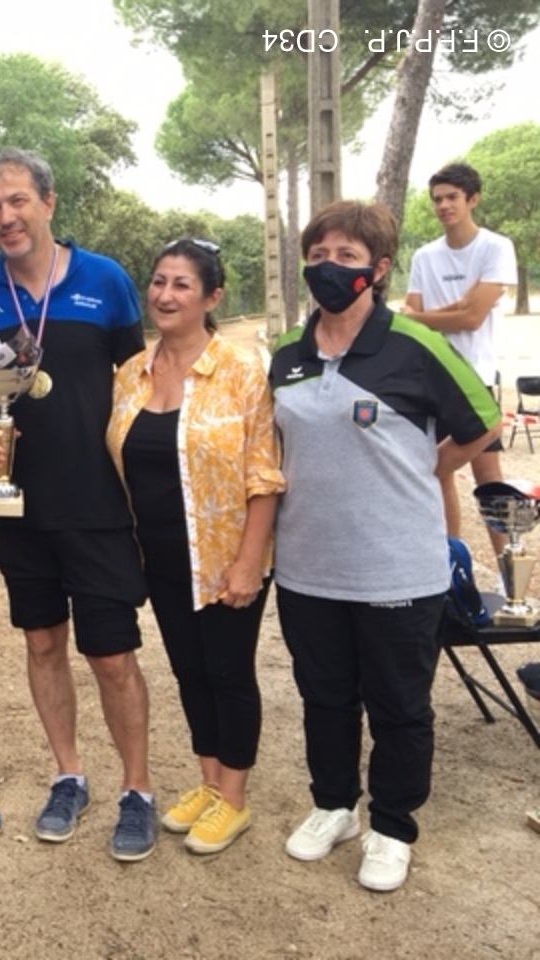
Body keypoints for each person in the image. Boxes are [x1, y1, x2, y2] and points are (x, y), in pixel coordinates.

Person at [271, 200, 501, 892]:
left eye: (346, 256)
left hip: (397, 568)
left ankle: (393, 826)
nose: (329, 267)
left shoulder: (414, 344)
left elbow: (483, 422)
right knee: (325, 698)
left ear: (377, 269)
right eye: (318, 254)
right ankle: (334, 805)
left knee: (400, 707)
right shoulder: (287, 353)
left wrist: (429, 467)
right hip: (308, 568)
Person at [0, 149, 154, 860]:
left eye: (17, 201)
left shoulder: (106, 281)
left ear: (48, 202)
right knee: (42, 643)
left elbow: (139, 383)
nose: (5, 217)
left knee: (112, 655)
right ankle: (69, 775)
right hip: (16, 505)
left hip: (98, 503)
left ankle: (137, 789)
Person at [106, 239, 284, 855]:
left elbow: (264, 475)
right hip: (158, 557)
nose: (165, 295)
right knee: (188, 671)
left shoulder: (241, 371)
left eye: (182, 284)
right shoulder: (130, 374)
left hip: (226, 556)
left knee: (228, 672)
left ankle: (234, 797)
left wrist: (248, 562)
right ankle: (209, 783)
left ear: (212, 298)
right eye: (158, 281)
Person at [404, 163, 518, 559]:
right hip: (431, 379)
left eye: (452, 197)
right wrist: (458, 305)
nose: (443, 206)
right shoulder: (424, 256)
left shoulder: (495, 247)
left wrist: (426, 317)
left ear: (473, 199)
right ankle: (449, 568)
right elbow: (419, 318)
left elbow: (471, 319)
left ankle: (508, 576)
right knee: (438, 475)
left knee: (489, 480)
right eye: (437, 199)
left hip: (475, 380)